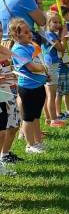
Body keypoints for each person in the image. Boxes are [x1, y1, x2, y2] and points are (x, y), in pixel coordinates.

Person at [9, 17, 49, 153]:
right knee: (28, 118)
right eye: (25, 32)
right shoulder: (18, 49)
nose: (30, 34)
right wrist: (44, 68)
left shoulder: (30, 45)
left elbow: (38, 60)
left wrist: (45, 74)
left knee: (36, 117)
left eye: (29, 31)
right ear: (16, 36)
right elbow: (32, 67)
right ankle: (30, 145)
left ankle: (38, 142)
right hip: (28, 89)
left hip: (38, 86)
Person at [42, 11, 68, 127]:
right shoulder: (50, 35)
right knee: (51, 95)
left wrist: (62, 32)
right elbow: (61, 48)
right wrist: (64, 35)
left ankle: (48, 118)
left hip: (50, 64)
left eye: (59, 22)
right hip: (51, 65)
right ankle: (53, 120)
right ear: (48, 23)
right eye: (55, 22)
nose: (58, 25)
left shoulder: (49, 33)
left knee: (48, 95)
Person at [0, 41, 20, 173]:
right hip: (3, 94)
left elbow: (10, 64)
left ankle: (4, 156)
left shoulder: (4, 50)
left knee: (12, 126)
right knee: (2, 131)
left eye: (1, 32)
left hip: (7, 93)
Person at [56, 5, 69, 118]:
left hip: (68, 64)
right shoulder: (58, 29)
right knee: (59, 92)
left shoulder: (67, 26)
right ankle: (58, 112)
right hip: (60, 67)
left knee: (68, 90)